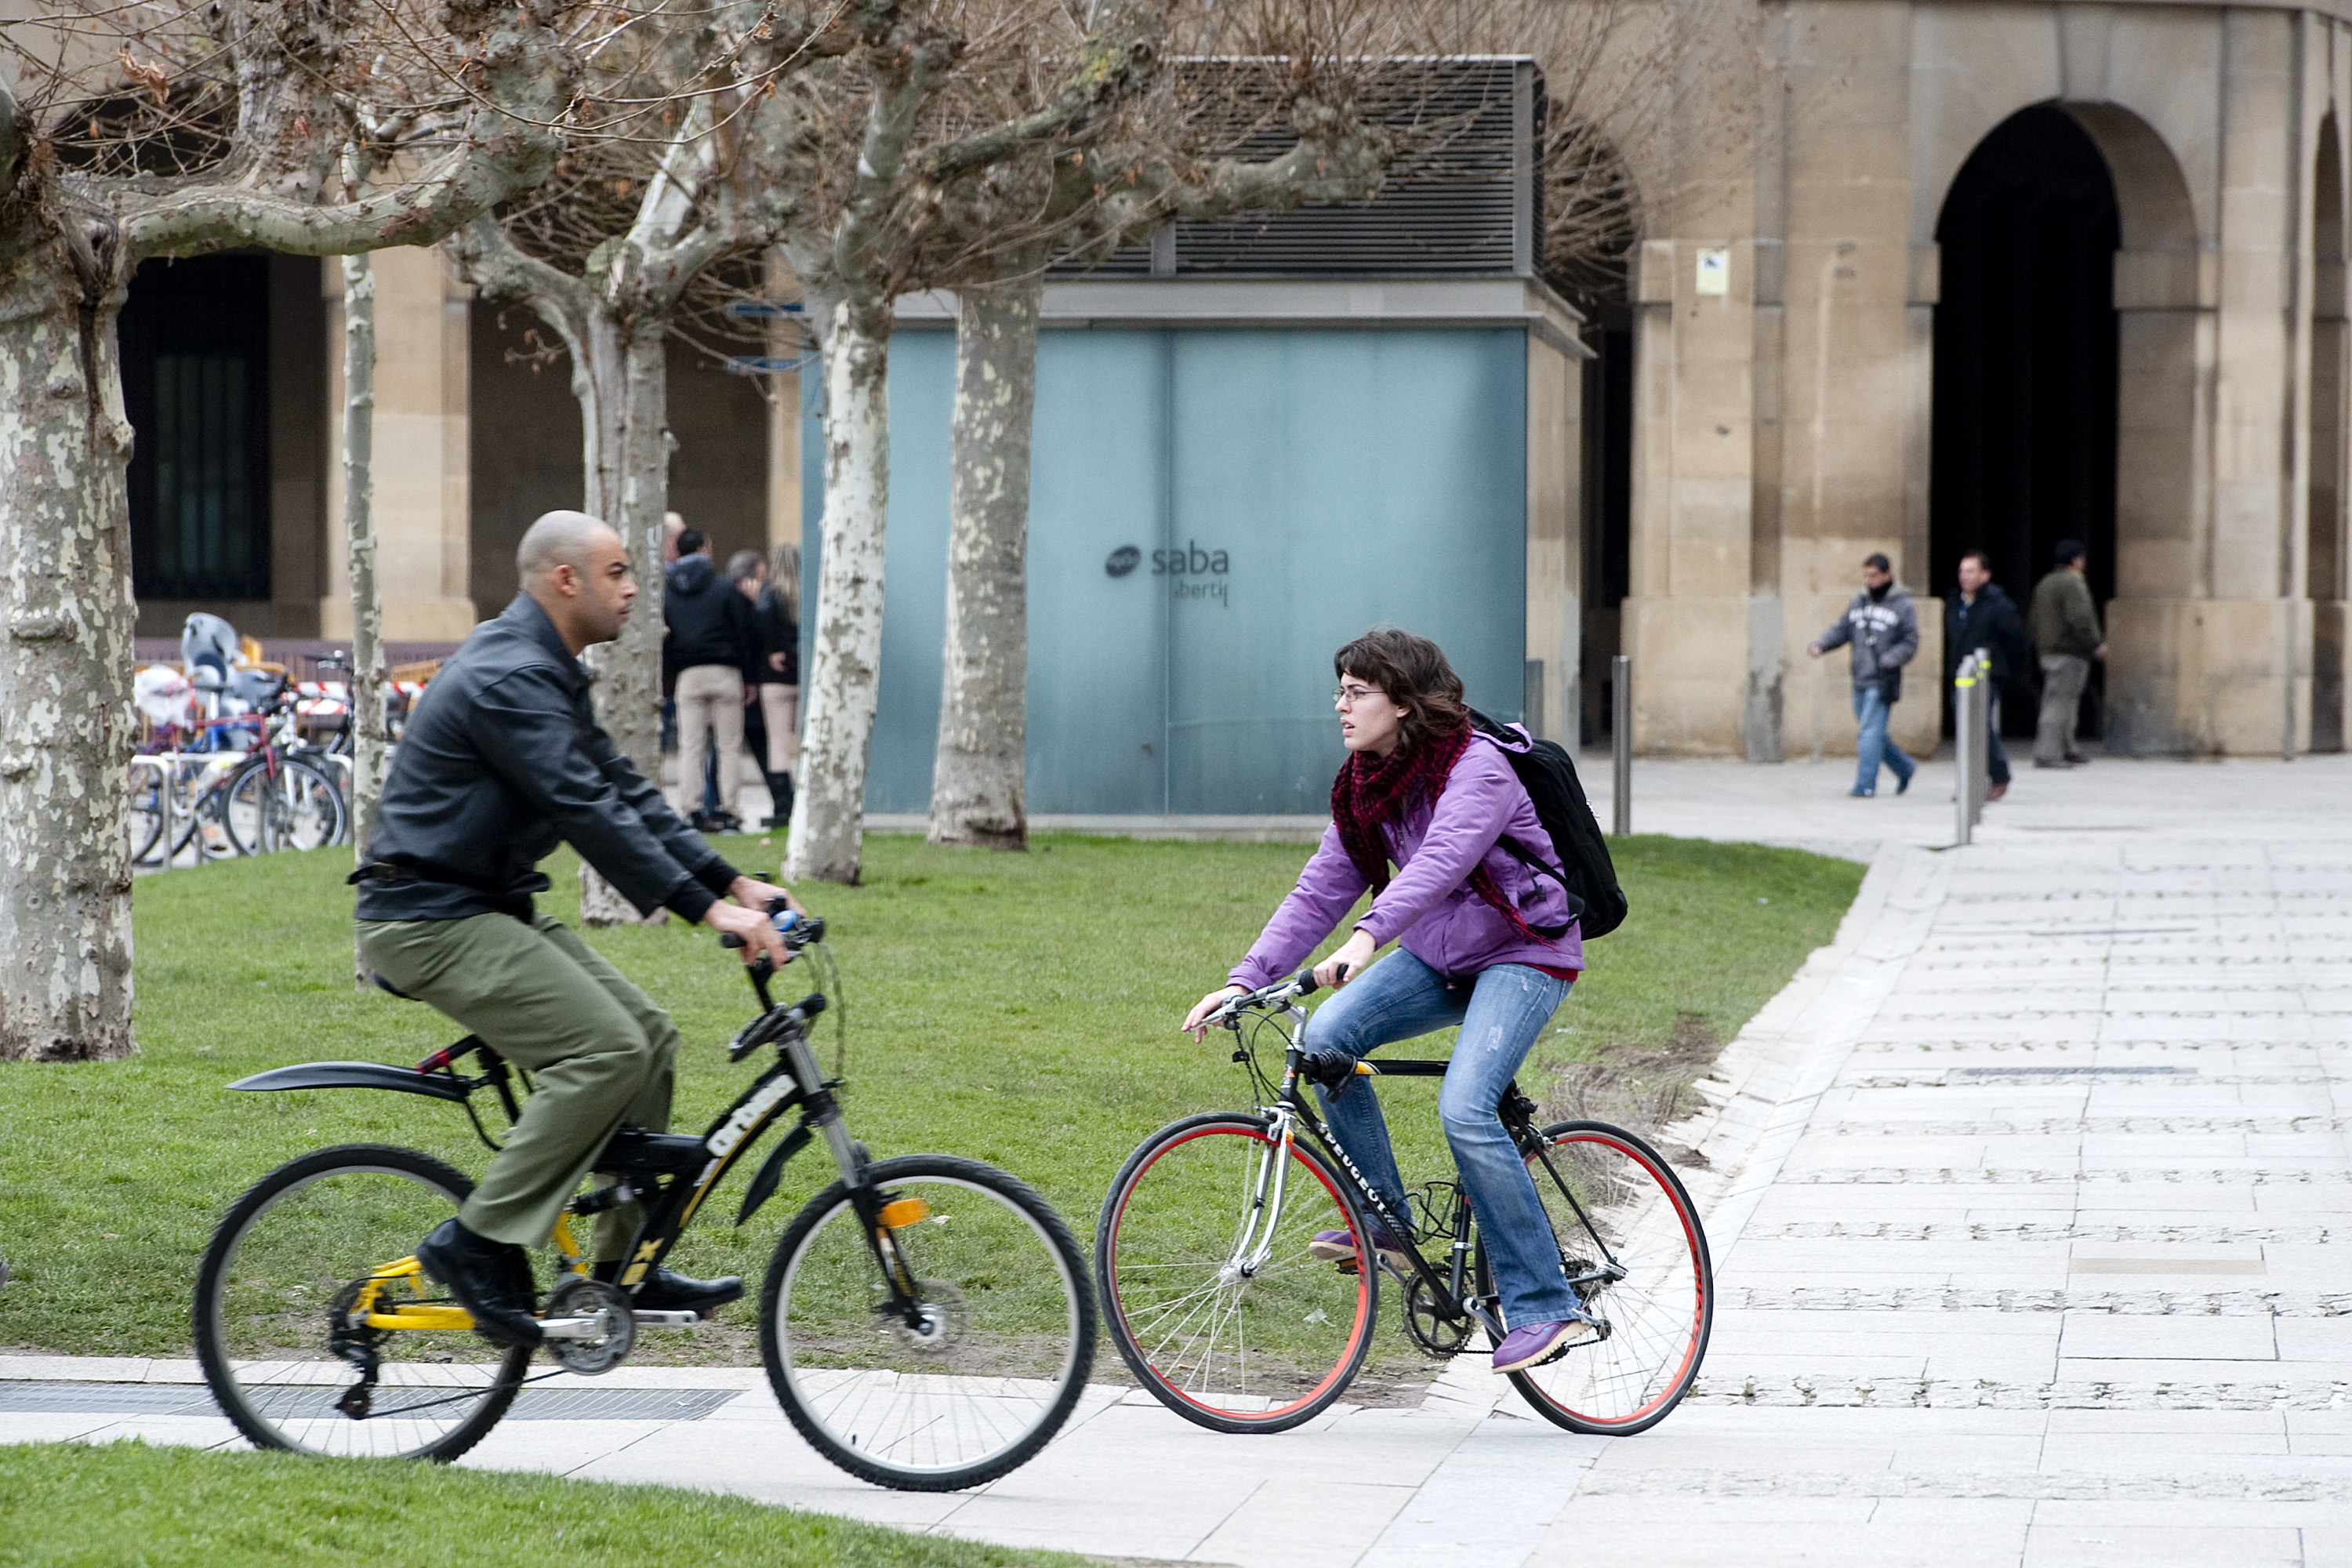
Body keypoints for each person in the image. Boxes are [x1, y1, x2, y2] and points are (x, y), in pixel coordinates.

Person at [353, 510, 798, 1348]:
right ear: (567, 580)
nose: (635, 588)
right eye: (619, 572)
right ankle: (476, 1241)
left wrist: (733, 881)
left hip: (484, 906)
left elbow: (625, 792)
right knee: (605, 1050)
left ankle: (624, 1265)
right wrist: (710, 911)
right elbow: (583, 806)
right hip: (427, 918)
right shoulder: (510, 676)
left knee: (649, 1038)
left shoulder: (546, 670)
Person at [1179, 628, 1600, 1374]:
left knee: (1465, 1108)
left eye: (1356, 691)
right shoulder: (1367, 784)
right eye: (1338, 689)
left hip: (1526, 951)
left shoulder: (1479, 767)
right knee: (1324, 1042)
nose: (1340, 705)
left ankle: (1544, 1303)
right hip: (1442, 955)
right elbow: (1320, 889)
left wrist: (1369, 936)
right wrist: (1245, 980)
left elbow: (1441, 862)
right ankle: (1385, 1222)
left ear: (1402, 702)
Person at [664, 527, 757, 832]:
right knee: (728, 746)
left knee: (690, 746)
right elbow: (743, 633)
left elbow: (666, 637)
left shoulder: (668, 590)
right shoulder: (725, 587)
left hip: (688, 675)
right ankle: (729, 810)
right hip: (725, 672)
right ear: (704, 547)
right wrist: (749, 677)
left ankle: (691, 809)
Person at [1806, 553, 1921, 797]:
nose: (1869, 581)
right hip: (1860, 677)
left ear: (1887, 575)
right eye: (1866, 576)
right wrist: (1821, 645)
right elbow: (1842, 628)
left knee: (1868, 733)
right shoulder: (1859, 601)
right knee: (1874, 733)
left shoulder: (1903, 605)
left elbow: (1910, 642)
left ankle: (1865, 785)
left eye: (1874, 576)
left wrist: (1890, 659)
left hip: (1882, 679)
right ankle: (1905, 768)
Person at [1945, 549, 2027, 802]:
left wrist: (2001, 669)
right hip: (1960, 673)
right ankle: (1970, 783)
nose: (1964, 576)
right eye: (1962, 571)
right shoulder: (1956, 602)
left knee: (1979, 724)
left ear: (1985, 575)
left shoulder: (1998, 605)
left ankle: (1999, 774)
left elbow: (2015, 640)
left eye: (1971, 571)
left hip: (1986, 674)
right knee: (1964, 727)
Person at [2028, 537, 2105, 768]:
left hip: (2048, 651)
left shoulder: (2045, 584)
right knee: (2060, 703)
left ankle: (2068, 747)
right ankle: (2048, 752)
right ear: (2076, 560)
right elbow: (2080, 618)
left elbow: (2034, 620)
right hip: (2069, 652)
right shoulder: (2073, 584)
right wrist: (2095, 643)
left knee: (2063, 701)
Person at [752, 542, 802, 829]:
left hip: (775, 679)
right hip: (803, 674)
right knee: (806, 741)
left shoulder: (769, 592)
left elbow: (760, 619)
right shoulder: (807, 591)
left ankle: (783, 806)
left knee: (778, 744)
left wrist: (773, 648)